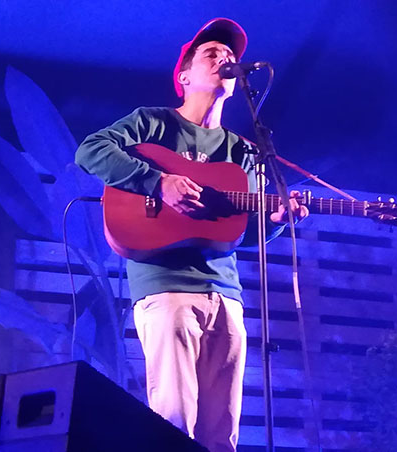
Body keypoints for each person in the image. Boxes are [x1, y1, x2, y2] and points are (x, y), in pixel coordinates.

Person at [74, 18, 308, 452]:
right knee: (173, 424)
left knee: (223, 436)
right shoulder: (153, 124)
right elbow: (90, 150)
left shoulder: (244, 151)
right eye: (211, 53)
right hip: (167, 289)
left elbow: (242, 231)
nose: (225, 58)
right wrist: (158, 182)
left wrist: (276, 219)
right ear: (183, 76)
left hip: (226, 295)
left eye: (231, 56)